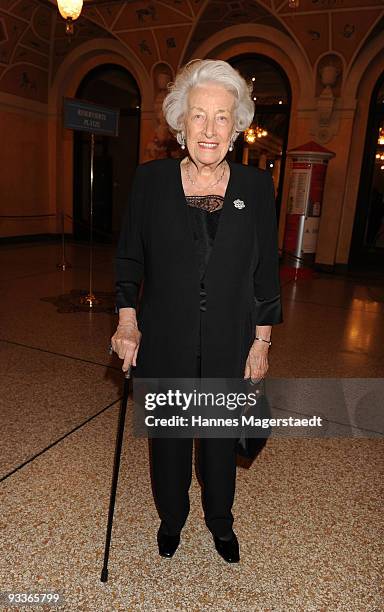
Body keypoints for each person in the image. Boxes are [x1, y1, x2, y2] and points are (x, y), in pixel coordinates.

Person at [111, 59, 283, 563]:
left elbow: (264, 274)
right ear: (180, 123)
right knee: (167, 441)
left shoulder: (253, 189)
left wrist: (262, 342)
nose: (210, 129)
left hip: (230, 340)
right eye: (199, 116)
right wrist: (127, 322)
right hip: (165, 338)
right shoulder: (151, 181)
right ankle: (172, 518)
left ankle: (220, 521)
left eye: (223, 117)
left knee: (219, 440)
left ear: (237, 127)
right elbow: (129, 258)